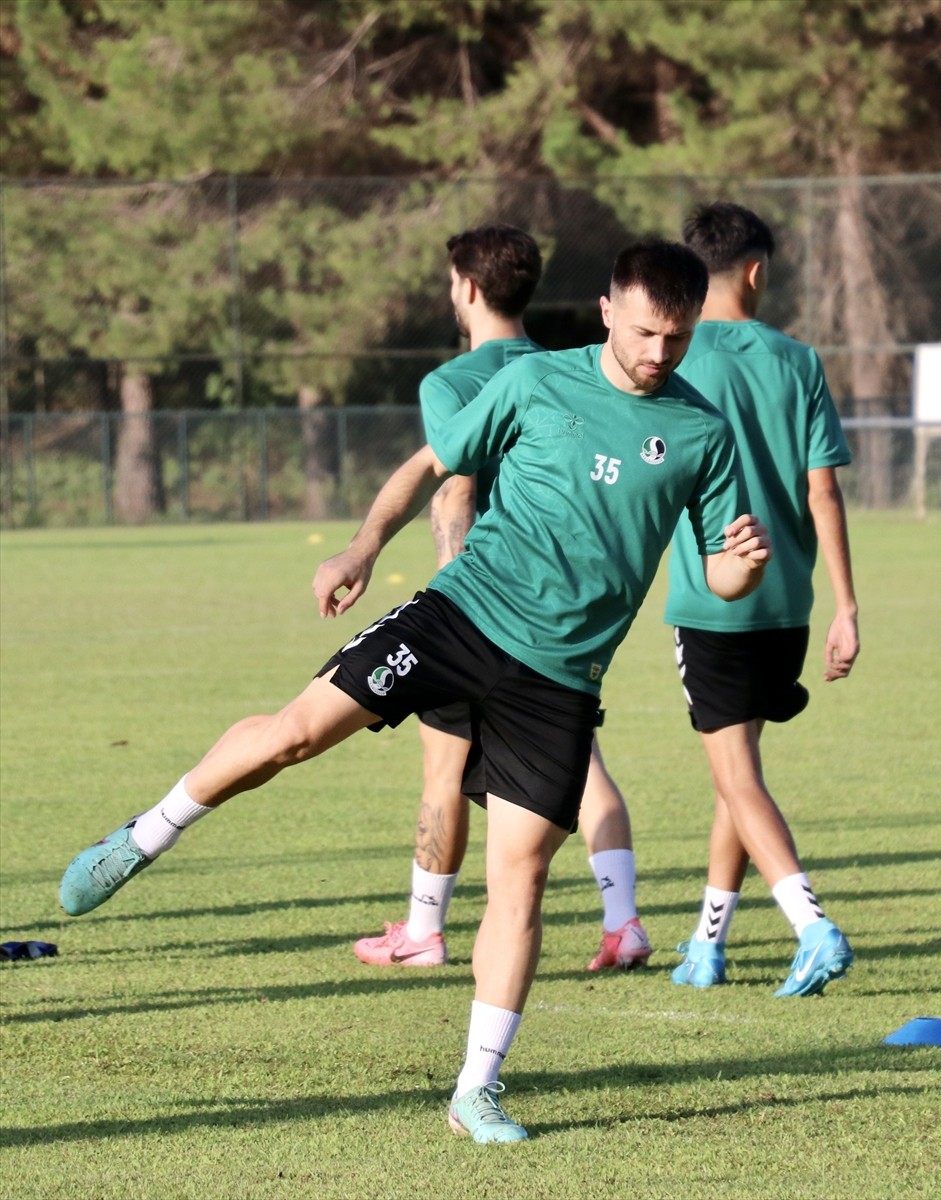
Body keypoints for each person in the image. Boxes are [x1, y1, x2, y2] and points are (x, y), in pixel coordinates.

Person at [59, 238, 771, 1144]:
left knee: (520, 879)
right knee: (295, 733)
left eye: (676, 338)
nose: (658, 353)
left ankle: (476, 1090)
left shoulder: (703, 432)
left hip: (560, 679)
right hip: (459, 616)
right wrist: (362, 547)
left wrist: (742, 567)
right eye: (643, 333)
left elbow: (720, 571)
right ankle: (144, 836)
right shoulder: (535, 381)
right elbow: (430, 465)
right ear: (605, 312)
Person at [353, 223, 650, 976]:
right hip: (566, 612)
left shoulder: (451, 381)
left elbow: (455, 488)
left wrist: (456, 605)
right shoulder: (566, 368)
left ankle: (424, 930)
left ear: (468, 287)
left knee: (442, 767)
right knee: (585, 768)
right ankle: (622, 921)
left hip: (483, 604)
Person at [666, 202, 859, 997]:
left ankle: (811, 926)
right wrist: (846, 606)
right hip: (787, 605)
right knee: (735, 776)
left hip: (712, 602)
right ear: (756, 271)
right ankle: (705, 944)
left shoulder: (672, 359)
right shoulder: (797, 359)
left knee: (736, 776)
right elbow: (823, 492)